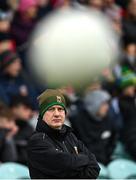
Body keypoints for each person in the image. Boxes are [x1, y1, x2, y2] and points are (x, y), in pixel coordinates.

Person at [27, 89, 100, 179]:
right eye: (51, 109)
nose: (57, 114)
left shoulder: (70, 136)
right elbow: (65, 164)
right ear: (42, 114)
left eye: (60, 109)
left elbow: (95, 168)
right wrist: (84, 159)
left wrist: (74, 164)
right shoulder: (37, 141)